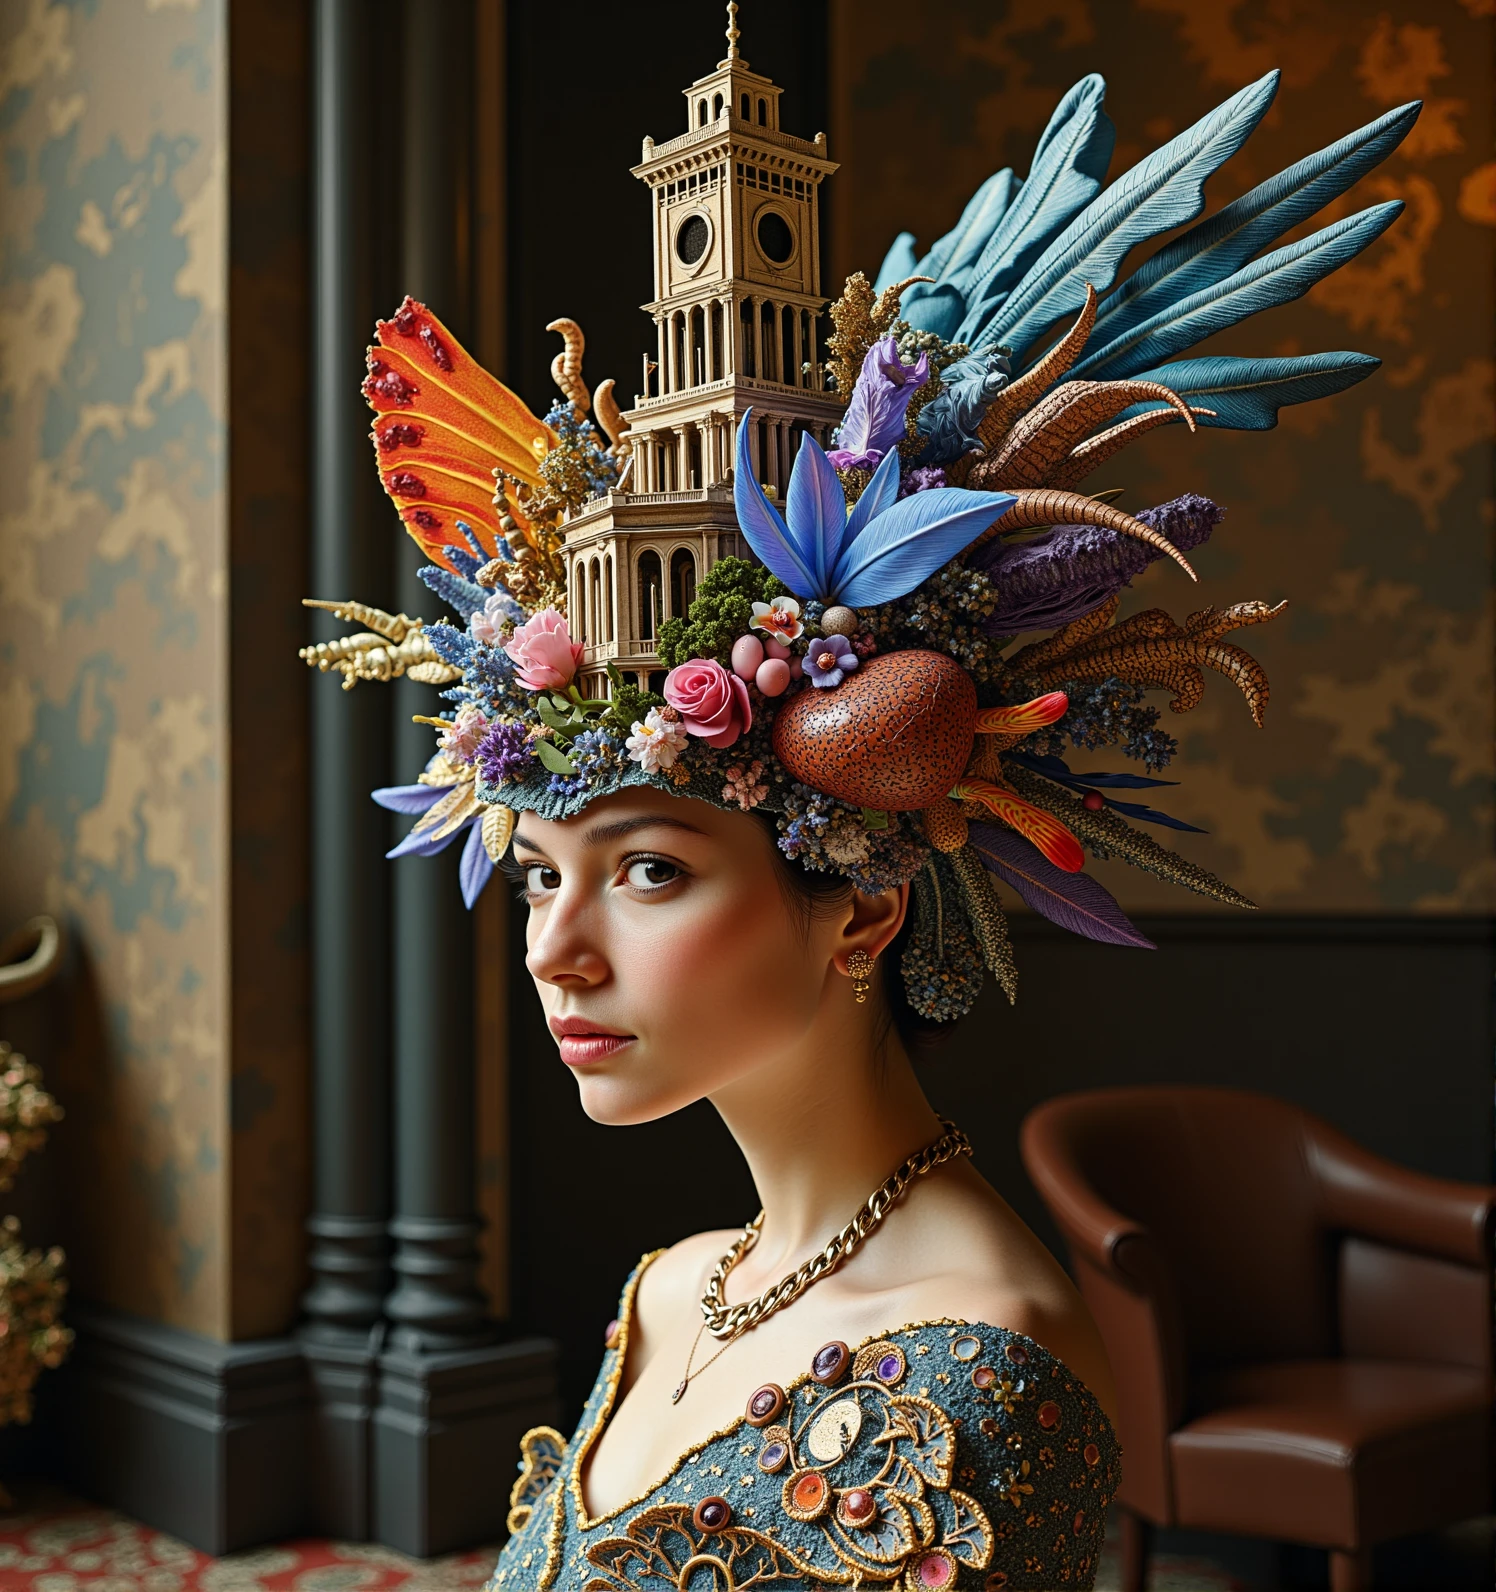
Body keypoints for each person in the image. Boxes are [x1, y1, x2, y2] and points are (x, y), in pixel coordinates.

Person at [305, 27, 1416, 1587]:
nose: (553, 949)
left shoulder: (978, 1373)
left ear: (868, 911)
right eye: (541, 872)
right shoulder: (679, 1288)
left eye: (643, 873)